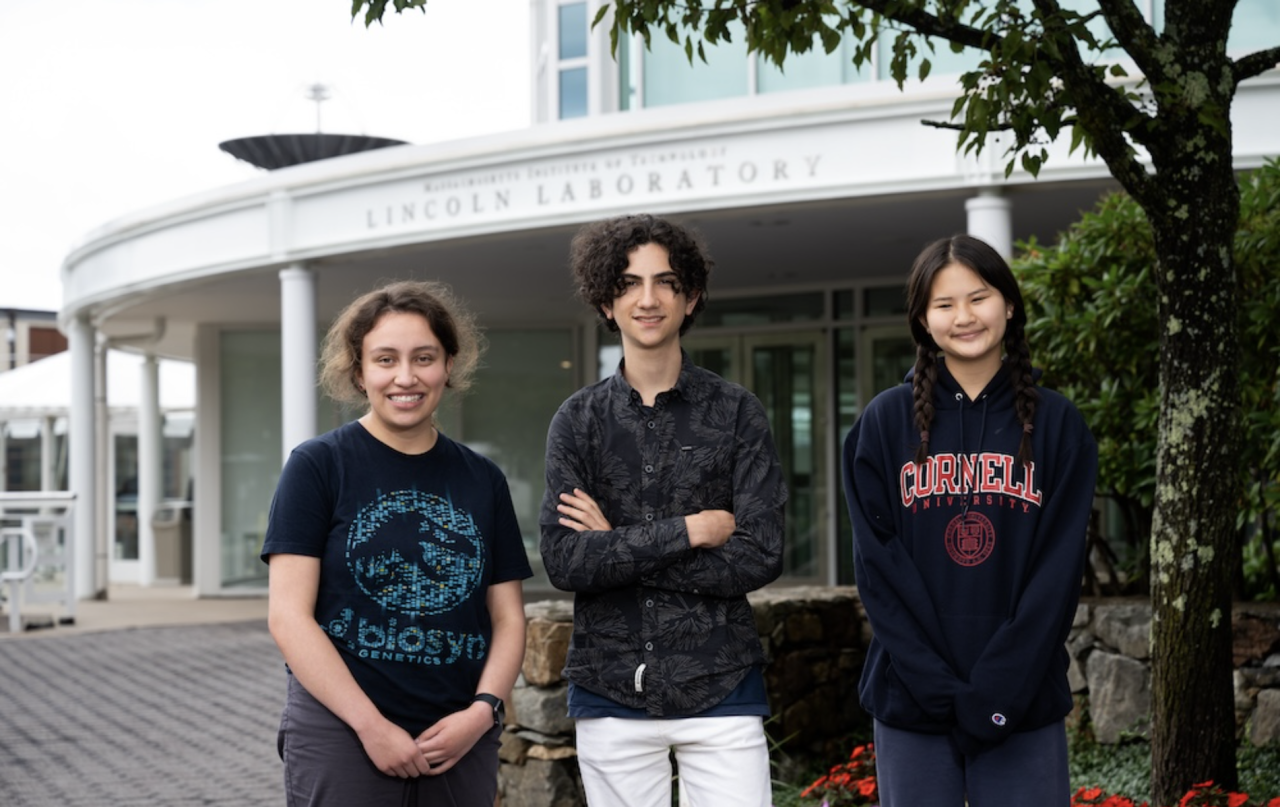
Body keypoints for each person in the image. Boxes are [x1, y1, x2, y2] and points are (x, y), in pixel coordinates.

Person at [540, 213, 788, 807]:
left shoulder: (737, 413)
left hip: (721, 685)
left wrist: (619, 544)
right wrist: (690, 531)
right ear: (606, 303)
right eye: (628, 284)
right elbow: (566, 561)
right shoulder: (577, 421)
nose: (647, 299)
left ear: (690, 297)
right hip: (610, 691)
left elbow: (760, 555)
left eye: (665, 283)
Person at [842, 234, 1099, 807]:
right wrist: (936, 686)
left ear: (1009, 304)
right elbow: (878, 571)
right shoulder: (883, 423)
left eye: (978, 297)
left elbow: (1057, 574)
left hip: (1024, 696)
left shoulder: (1058, 425)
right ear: (922, 320)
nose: (964, 317)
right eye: (944, 304)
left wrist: (999, 690)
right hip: (911, 698)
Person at [262, 280, 532, 806]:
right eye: (385, 359)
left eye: (423, 358)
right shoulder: (318, 466)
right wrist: (370, 726)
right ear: (358, 371)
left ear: (448, 365)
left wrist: (482, 713)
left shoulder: (483, 479)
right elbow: (288, 616)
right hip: (341, 729)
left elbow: (508, 619)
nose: (405, 377)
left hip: (458, 733)